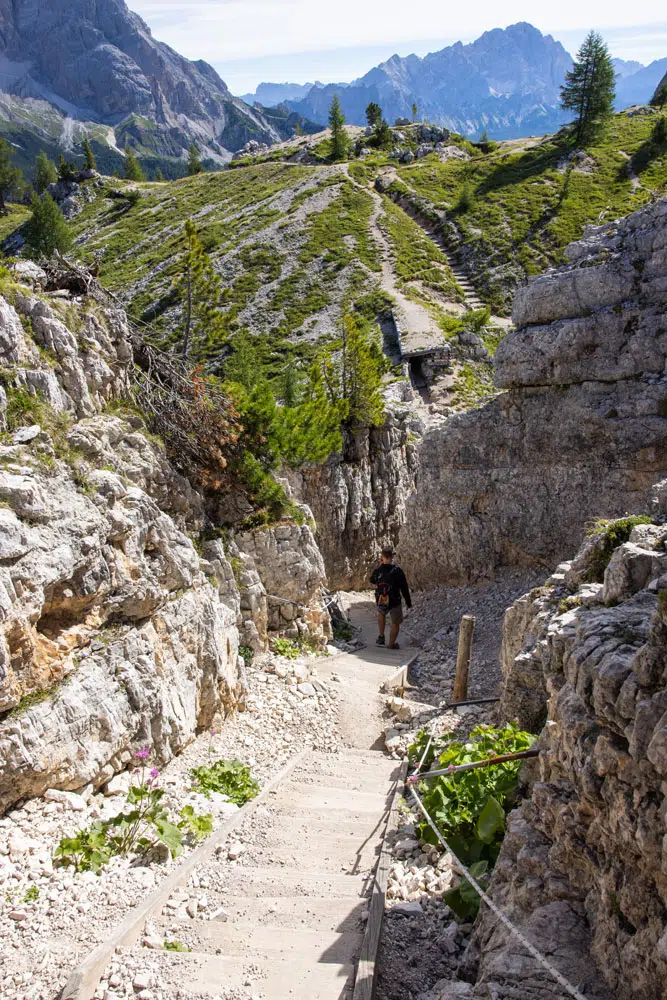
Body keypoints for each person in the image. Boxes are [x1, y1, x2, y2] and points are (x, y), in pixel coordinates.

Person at [370, 546, 412, 650]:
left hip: (382, 598)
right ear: (392, 557)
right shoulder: (397, 570)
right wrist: (408, 602)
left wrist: (381, 567)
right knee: (395, 622)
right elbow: (404, 587)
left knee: (381, 614)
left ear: (382, 557)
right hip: (394, 600)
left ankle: (381, 637)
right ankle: (391, 644)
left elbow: (372, 580)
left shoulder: (378, 570)